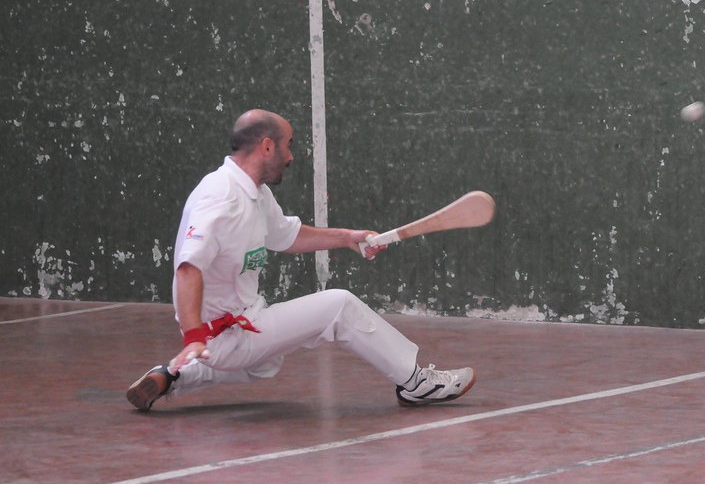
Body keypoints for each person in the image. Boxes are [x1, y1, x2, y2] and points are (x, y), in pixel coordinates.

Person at [126, 109, 475, 411]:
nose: (292, 156)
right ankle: (416, 383)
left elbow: (287, 236)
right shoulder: (221, 199)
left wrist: (348, 238)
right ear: (267, 146)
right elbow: (188, 268)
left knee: (265, 364)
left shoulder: (254, 192)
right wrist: (193, 337)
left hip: (242, 325)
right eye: (288, 145)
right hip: (223, 334)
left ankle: (173, 375)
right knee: (339, 305)